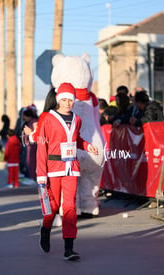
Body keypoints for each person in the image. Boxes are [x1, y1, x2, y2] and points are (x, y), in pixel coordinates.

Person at [36, 83, 98, 261]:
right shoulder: (47, 118)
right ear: (58, 100)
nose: (67, 103)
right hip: (53, 169)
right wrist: (41, 175)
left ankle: (69, 248)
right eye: (63, 100)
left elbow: (76, 139)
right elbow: (42, 148)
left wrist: (87, 146)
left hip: (72, 168)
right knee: (52, 209)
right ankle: (45, 229)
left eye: (70, 100)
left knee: (69, 207)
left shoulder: (77, 119)